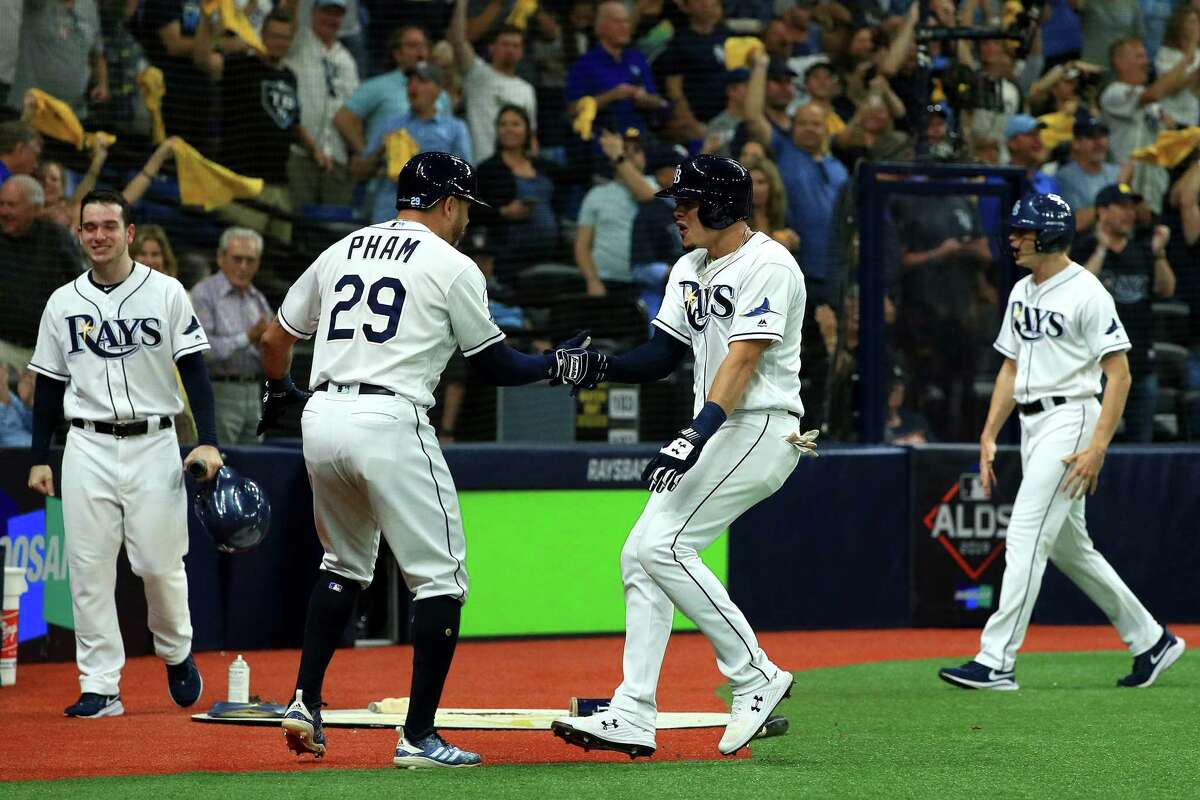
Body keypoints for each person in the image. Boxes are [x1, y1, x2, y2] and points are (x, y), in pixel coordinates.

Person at [257, 151, 589, 767]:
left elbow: (275, 339)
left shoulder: (344, 247)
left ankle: (304, 698)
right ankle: (418, 736)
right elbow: (493, 365)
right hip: (390, 418)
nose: (465, 217)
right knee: (441, 579)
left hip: (322, 416)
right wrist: (560, 365)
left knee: (344, 563)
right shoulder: (452, 264)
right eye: (462, 205)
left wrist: (279, 391)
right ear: (445, 203)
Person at [549, 154, 817, 758]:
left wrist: (696, 432)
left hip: (761, 426)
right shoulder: (690, 266)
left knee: (662, 546)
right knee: (639, 557)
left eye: (688, 201)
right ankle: (633, 712)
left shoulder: (770, 263)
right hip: (722, 427)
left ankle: (755, 677)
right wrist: (600, 366)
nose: (678, 211)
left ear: (722, 205)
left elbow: (743, 360)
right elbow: (662, 355)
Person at [938, 192, 1185, 692]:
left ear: (1049, 234)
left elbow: (1119, 375)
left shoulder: (1087, 291)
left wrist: (1098, 446)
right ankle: (1152, 639)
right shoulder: (1022, 291)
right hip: (1034, 426)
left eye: (1022, 230)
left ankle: (996, 660)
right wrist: (988, 432)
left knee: (1025, 535)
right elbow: (1010, 366)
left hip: (1072, 420)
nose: (1012, 237)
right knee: (1074, 549)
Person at [26, 188, 222, 718]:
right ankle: (100, 685)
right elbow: (48, 385)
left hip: (155, 441)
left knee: (159, 566)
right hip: (85, 442)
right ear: (80, 233)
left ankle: (177, 650)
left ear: (129, 233)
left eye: (109, 226)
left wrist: (209, 439)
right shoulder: (62, 302)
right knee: (88, 569)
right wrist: (39, 455)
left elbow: (196, 375)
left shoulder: (167, 292)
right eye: (89, 227)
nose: (98, 235)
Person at [193, 7, 314, 240]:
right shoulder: (241, 66)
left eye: (285, 37)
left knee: (279, 258)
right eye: (275, 36)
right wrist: (207, 21)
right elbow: (203, 59)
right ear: (262, 35)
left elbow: (292, 122)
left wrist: (316, 151)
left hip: (279, 184)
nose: (280, 42)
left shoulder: (289, 76)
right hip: (243, 181)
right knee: (242, 252)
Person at [1070, 184, 1176, 443]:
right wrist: (1102, 250)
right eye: (1122, 207)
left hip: (1140, 362)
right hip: (1097, 368)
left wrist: (1160, 252)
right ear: (1102, 211)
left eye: (1132, 208)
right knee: (1092, 445)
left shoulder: (1141, 248)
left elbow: (1166, 289)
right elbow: (1075, 293)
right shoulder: (1083, 246)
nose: (1130, 214)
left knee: (1142, 446)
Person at [356, 61, 473, 224]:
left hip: (433, 218)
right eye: (410, 82)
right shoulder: (389, 125)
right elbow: (359, 172)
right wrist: (381, 151)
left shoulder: (455, 128)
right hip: (388, 215)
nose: (413, 87)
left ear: (438, 90)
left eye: (422, 81)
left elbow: (464, 179)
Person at [190, 227, 273, 445]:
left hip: (254, 391)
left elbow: (270, 351)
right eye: (237, 259)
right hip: (219, 391)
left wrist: (264, 344)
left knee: (254, 464)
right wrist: (247, 338)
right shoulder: (204, 294)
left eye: (250, 260)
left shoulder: (258, 300)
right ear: (221, 258)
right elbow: (202, 349)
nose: (243, 267)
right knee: (220, 460)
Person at [1100, 37, 1196, 214]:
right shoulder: (1113, 93)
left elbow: (1171, 131)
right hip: (1126, 190)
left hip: (1154, 193)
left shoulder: (1153, 106)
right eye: (1139, 56)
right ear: (1119, 62)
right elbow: (1154, 93)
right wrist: (1187, 57)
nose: (1146, 62)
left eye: (1145, 56)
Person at [334, 25, 453, 166]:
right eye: (413, 46)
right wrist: (366, 154)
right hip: (387, 177)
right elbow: (343, 118)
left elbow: (448, 136)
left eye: (424, 46)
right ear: (397, 54)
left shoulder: (441, 94)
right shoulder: (378, 86)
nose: (421, 52)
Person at [283, 0, 360, 208]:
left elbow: (355, 113)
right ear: (314, 12)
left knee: (334, 233)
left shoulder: (347, 60)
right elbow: (288, 16)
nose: (331, 19)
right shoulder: (298, 42)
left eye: (337, 14)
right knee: (298, 226)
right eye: (326, 11)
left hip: (337, 158)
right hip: (300, 154)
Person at [0, 175, 81, 370]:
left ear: (36, 209)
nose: (3, 211)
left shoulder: (57, 238)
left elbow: (79, 286)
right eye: (1, 204)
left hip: (46, 351)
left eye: (11, 205)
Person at [474, 105, 560, 283]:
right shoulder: (487, 169)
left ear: (528, 130)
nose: (509, 129)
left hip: (550, 254)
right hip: (509, 258)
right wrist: (502, 213)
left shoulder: (545, 167)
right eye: (503, 124)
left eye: (516, 124)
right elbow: (473, 211)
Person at [448, 0, 537, 164]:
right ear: (492, 48)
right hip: (479, 165)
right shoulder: (477, 73)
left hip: (512, 172)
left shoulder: (527, 90)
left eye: (515, 46)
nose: (510, 50)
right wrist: (461, 4)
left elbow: (530, 134)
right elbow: (458, 41)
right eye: (505, 44)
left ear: (522, 52)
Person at [6, 0, 107, 118]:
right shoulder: (37, 5)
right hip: (31, 110)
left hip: (71, 114)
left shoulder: (88, 5)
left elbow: (97, 51)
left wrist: (102, 83)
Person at [1055, 117, 1123, 231]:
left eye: (1103, 136)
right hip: (1085, 243)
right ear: (1076, 143)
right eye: (1091, 137)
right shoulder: (1064, 177)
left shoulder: (1116, 171)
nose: (1099, 143)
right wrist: (1119, 186)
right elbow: (1077, 222)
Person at [1154, 7, 1200, 128]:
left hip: (1192, 119)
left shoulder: (1199, 53)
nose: (1197, 26)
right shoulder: (1166, 53)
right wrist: (1195, 73)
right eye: (1192, 22)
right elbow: (1169, 89)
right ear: (1179, 26)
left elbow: (1196, 92)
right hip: (1170, 119)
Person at [0, 363, 34, 447]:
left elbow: (31, 427)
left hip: (33, 447)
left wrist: (28, 403)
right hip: (14, 454)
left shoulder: (11, 398)